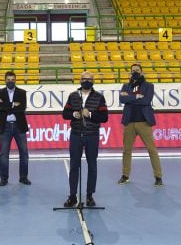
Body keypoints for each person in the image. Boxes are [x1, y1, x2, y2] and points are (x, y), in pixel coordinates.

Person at [62, 70, 109, 208]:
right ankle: (72, 196)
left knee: (92, 166)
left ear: (93, 81)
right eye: (84, 78)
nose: (86, 80)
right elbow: (65, 113)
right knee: (74, 166)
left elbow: (104, 117)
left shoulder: (99, 97)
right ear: (80, 80)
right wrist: (73, 114)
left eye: (89, 78)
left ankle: (89, 196)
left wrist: (90, 114)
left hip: (92, 135)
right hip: (76, 134)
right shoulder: (73, 96)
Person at [118, 63, 163, 187]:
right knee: (126, 150)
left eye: (137, 70)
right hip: (129, 122)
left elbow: (146, 101)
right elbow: (122, 100)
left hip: (144, 122)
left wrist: (130, 97)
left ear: (142, 72)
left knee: (151, 149)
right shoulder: (125, 86)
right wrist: (137, 96)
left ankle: (158, 176)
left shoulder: (149, 86)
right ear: (130, 73)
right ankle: (125, 175)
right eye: (133, 71)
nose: (135, 72)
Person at [0, 70, 29, 187]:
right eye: (8, 80)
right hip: (5, 126)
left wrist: (7, 106)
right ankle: (4, 178)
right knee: (4, 154)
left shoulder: (22, 92)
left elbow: (22, 107)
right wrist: (14, 105)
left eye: (12, 80)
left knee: (24, 153)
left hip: (19, 126)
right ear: (5, 80)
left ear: (15, 80)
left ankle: (23, 177)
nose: (10, 82)